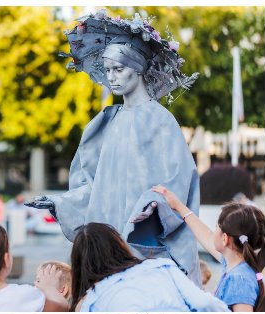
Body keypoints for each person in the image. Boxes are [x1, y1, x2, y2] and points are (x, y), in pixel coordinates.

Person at [29, 12, 203, 285]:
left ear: (138, 68)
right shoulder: (105, 122)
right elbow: (94, 185)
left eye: (118, 69)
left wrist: (151, 207)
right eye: (107, 69)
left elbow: (177, 182)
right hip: (105, 245)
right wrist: (61, 202)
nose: (111, 77)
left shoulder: (160, 121)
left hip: (143, 245)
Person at [69, 223, 228, 312]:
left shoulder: (90, 302)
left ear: (80, 265)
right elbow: (203, 303)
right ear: (119, 245)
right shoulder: (161, 266)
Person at [154, 189, 264, 312]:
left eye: (217, 227)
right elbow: (206, 236)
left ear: (225, 239)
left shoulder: (239, 279)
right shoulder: (235, 264)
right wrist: (179, 206)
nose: (213, 231)